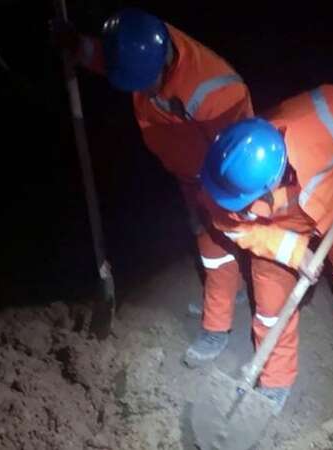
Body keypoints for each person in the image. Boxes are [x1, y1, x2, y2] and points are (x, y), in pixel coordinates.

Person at [52, 8, 254, 366]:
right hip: (185, 166)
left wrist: (212, 196)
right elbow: (111, 58)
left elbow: (237, 155)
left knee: (215, 241)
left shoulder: (216, 93)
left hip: (217, 174)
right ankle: (230, 291)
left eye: (146, 83)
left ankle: (217, 327)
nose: (142, 91)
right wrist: (79, 47)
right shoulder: (141, 45)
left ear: (164, 64)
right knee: (200, 231)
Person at [199, 73, 333, 413]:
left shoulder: (318, 120)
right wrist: (295, 253)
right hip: (278, 229)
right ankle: (274, 381)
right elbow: (239, 230)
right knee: (271, 306)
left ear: (275, 179)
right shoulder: (223, 184)